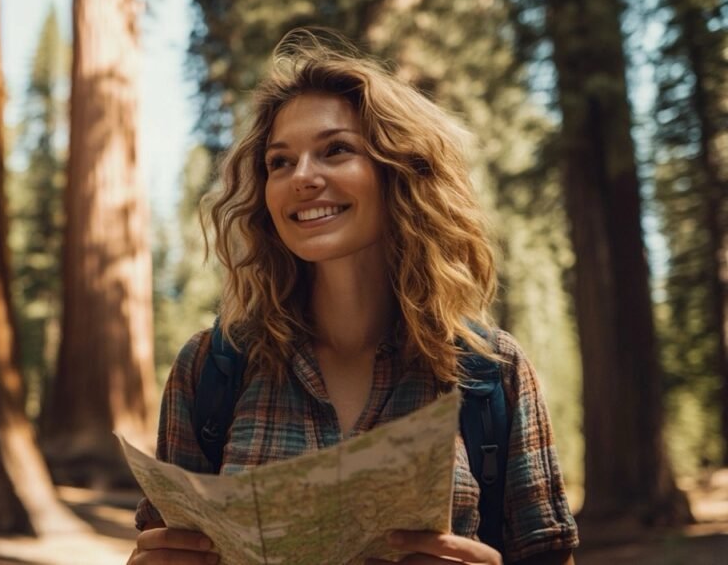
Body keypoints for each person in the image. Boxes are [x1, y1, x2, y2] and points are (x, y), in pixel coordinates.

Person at [129, 28, 579, 565]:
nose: (303, 177)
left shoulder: (493, 370)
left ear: (399, 173)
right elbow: (164, 548)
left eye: (335, 150)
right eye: (280, 162)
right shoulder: (212, 369)